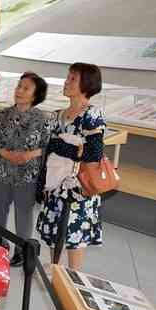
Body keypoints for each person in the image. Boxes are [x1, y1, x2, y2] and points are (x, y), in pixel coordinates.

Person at [37, 63, 106, 270]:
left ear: (87, 84)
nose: (66, 82)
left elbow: (93, 153)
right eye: (68, 78)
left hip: (78, 189)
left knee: (74, 237)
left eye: (73, 79)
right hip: (54, 187)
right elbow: (48, 152)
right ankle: (56, 278)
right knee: (53, 238)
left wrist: (60, 145)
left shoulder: (92, 115)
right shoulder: (58, 115)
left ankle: (73, 285)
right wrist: (41, 184)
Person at [0, 72, 52, 267]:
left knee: (23, 212)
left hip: (28, 174)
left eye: (26, 88)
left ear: (35, 95)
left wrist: (29, 155)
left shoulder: (42, 119)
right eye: (19, 86)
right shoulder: (3, 114)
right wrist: (8, 154)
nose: (19, 91)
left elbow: (47, 146)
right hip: (3, 170)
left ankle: (21, 250)